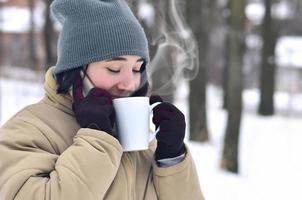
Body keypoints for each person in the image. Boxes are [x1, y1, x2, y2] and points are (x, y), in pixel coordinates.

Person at [0, 0, 204, 199]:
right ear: (76, 71)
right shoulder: (28, 131)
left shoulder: (144, 142)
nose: (131, 83)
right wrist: (96, 141)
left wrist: (172, 160)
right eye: (114, 69)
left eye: (137, 69)